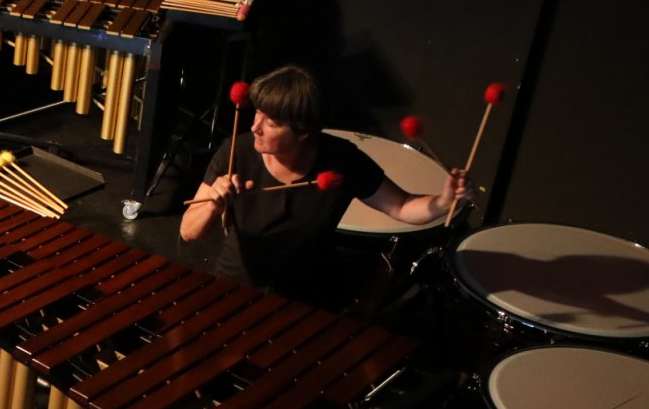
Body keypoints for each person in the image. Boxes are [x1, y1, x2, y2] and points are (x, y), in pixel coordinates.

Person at [180, 66, 471, 309]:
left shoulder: (341, 159)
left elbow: (402, 206)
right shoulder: (236, 151)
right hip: (236, 285)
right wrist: (214, 204)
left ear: (304, 131)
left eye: (272, 122)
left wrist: (445, 201)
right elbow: (189, 232)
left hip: (308, 297)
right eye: (257, 113)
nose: (255, 126)